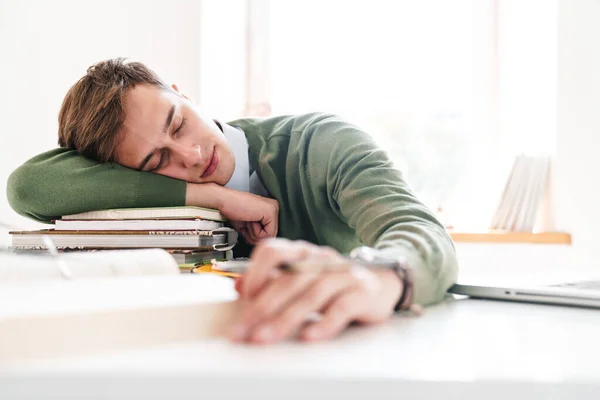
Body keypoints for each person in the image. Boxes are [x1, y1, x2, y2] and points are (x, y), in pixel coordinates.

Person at [7, 59, 458, 344]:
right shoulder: (154, 192)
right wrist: (211, 197)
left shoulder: (320, 144)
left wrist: (382, 275)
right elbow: (28, 188)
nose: (192, 156)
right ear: (123, 176)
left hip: (338, 353)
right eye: (157, 160)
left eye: (179, 123)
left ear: (183, 94)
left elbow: (419, 231)